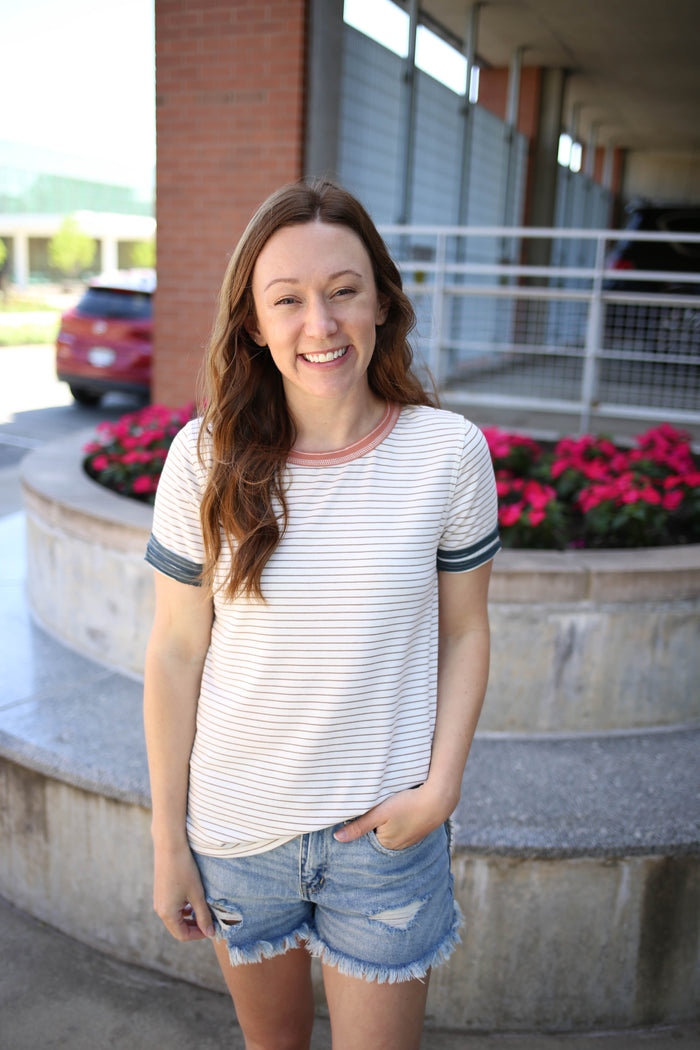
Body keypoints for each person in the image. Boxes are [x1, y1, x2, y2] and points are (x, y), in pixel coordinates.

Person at [143, 179, 500, 1050]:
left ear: (380, 297)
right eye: (289, 300)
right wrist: (166, 842)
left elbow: (466, 631)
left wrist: (441, 787)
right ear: (255, 325)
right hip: (235, 835)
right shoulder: (204, 457)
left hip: (386, 840)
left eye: (344, 290)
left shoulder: (447, 453)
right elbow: (176, 652)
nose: (321, 323)